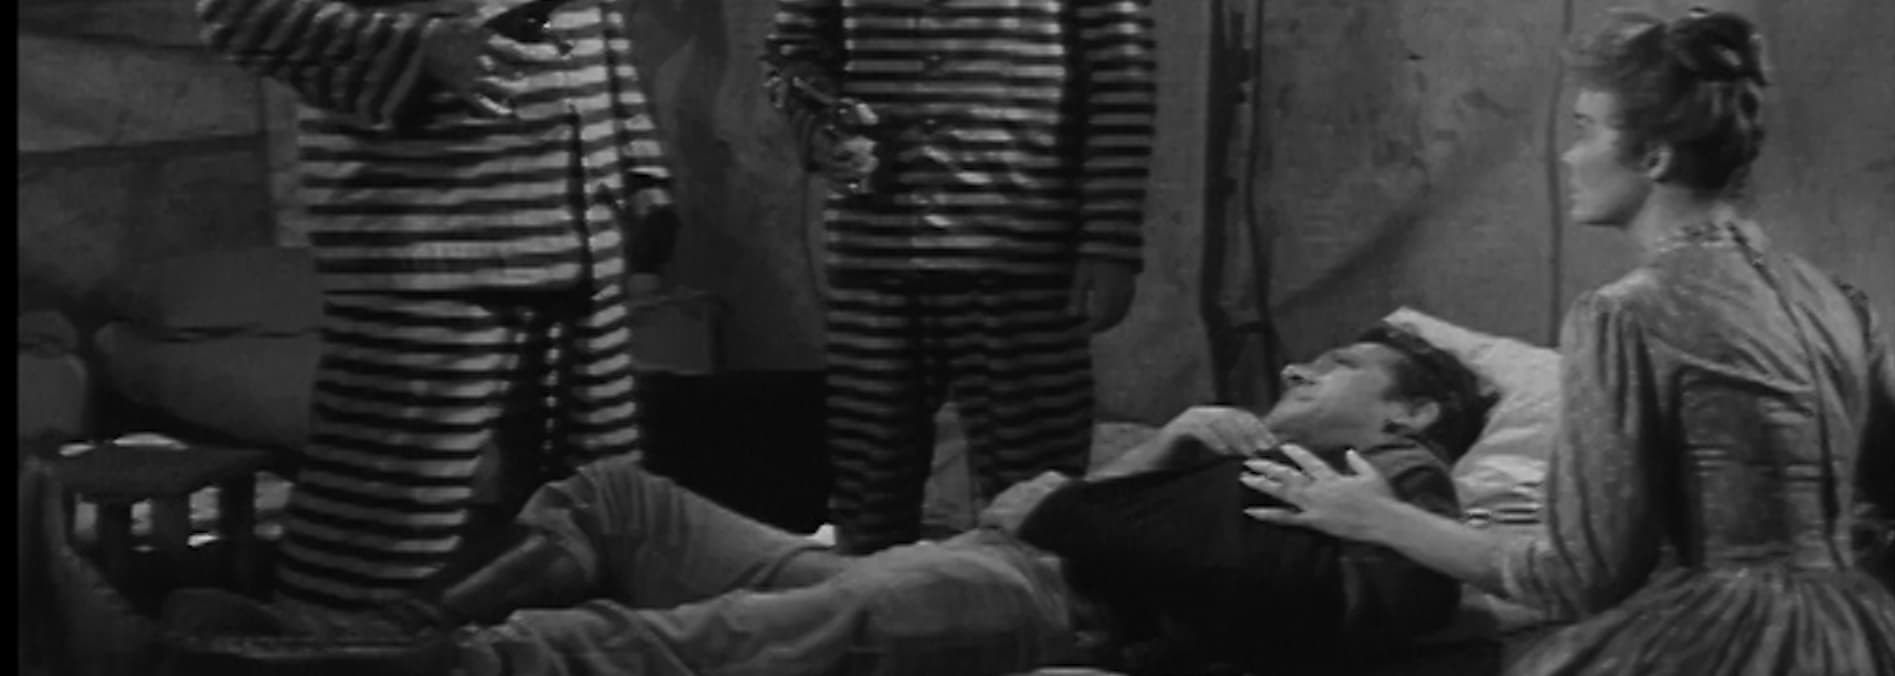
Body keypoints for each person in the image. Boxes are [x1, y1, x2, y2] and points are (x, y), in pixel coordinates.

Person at [158, 326, 1489, 676]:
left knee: (715, 638)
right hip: (977, 554)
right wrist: (1162, 454)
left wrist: (1093, 512)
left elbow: (1331, 608)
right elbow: (1041, 502)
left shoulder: (1403, 488)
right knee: (616, 496)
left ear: (1414, 411)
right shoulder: (1220, 443)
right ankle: (390, 626)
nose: (1303, 369)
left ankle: (406, 665)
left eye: (1341, 367)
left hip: (1046, 605)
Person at [1240, 8, 1895, 676]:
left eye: (1585, 130)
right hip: (1861, 634)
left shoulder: (1627, 314)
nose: (1569, 155)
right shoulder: (1839, 303)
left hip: (1724, 644)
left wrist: (1379, 518)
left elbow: (1578, 577)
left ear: (1654, 156)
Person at [192, 0, 675, 614]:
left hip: (583, 236)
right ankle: (321, 652)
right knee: (379, 538)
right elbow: (238, 13)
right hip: (434, 244)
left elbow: (598, 20)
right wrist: (423, 47)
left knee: (590, 527)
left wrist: (639, 166)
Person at [759, 0, 1159, 553]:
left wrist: (1108, 239)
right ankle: (873, 607)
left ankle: (1031, 607)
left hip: (1020, 250)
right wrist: (824, 129)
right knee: (868, 496)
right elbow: (791, 52)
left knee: (1037, 506)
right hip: (875, 252)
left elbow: (1122, 75)